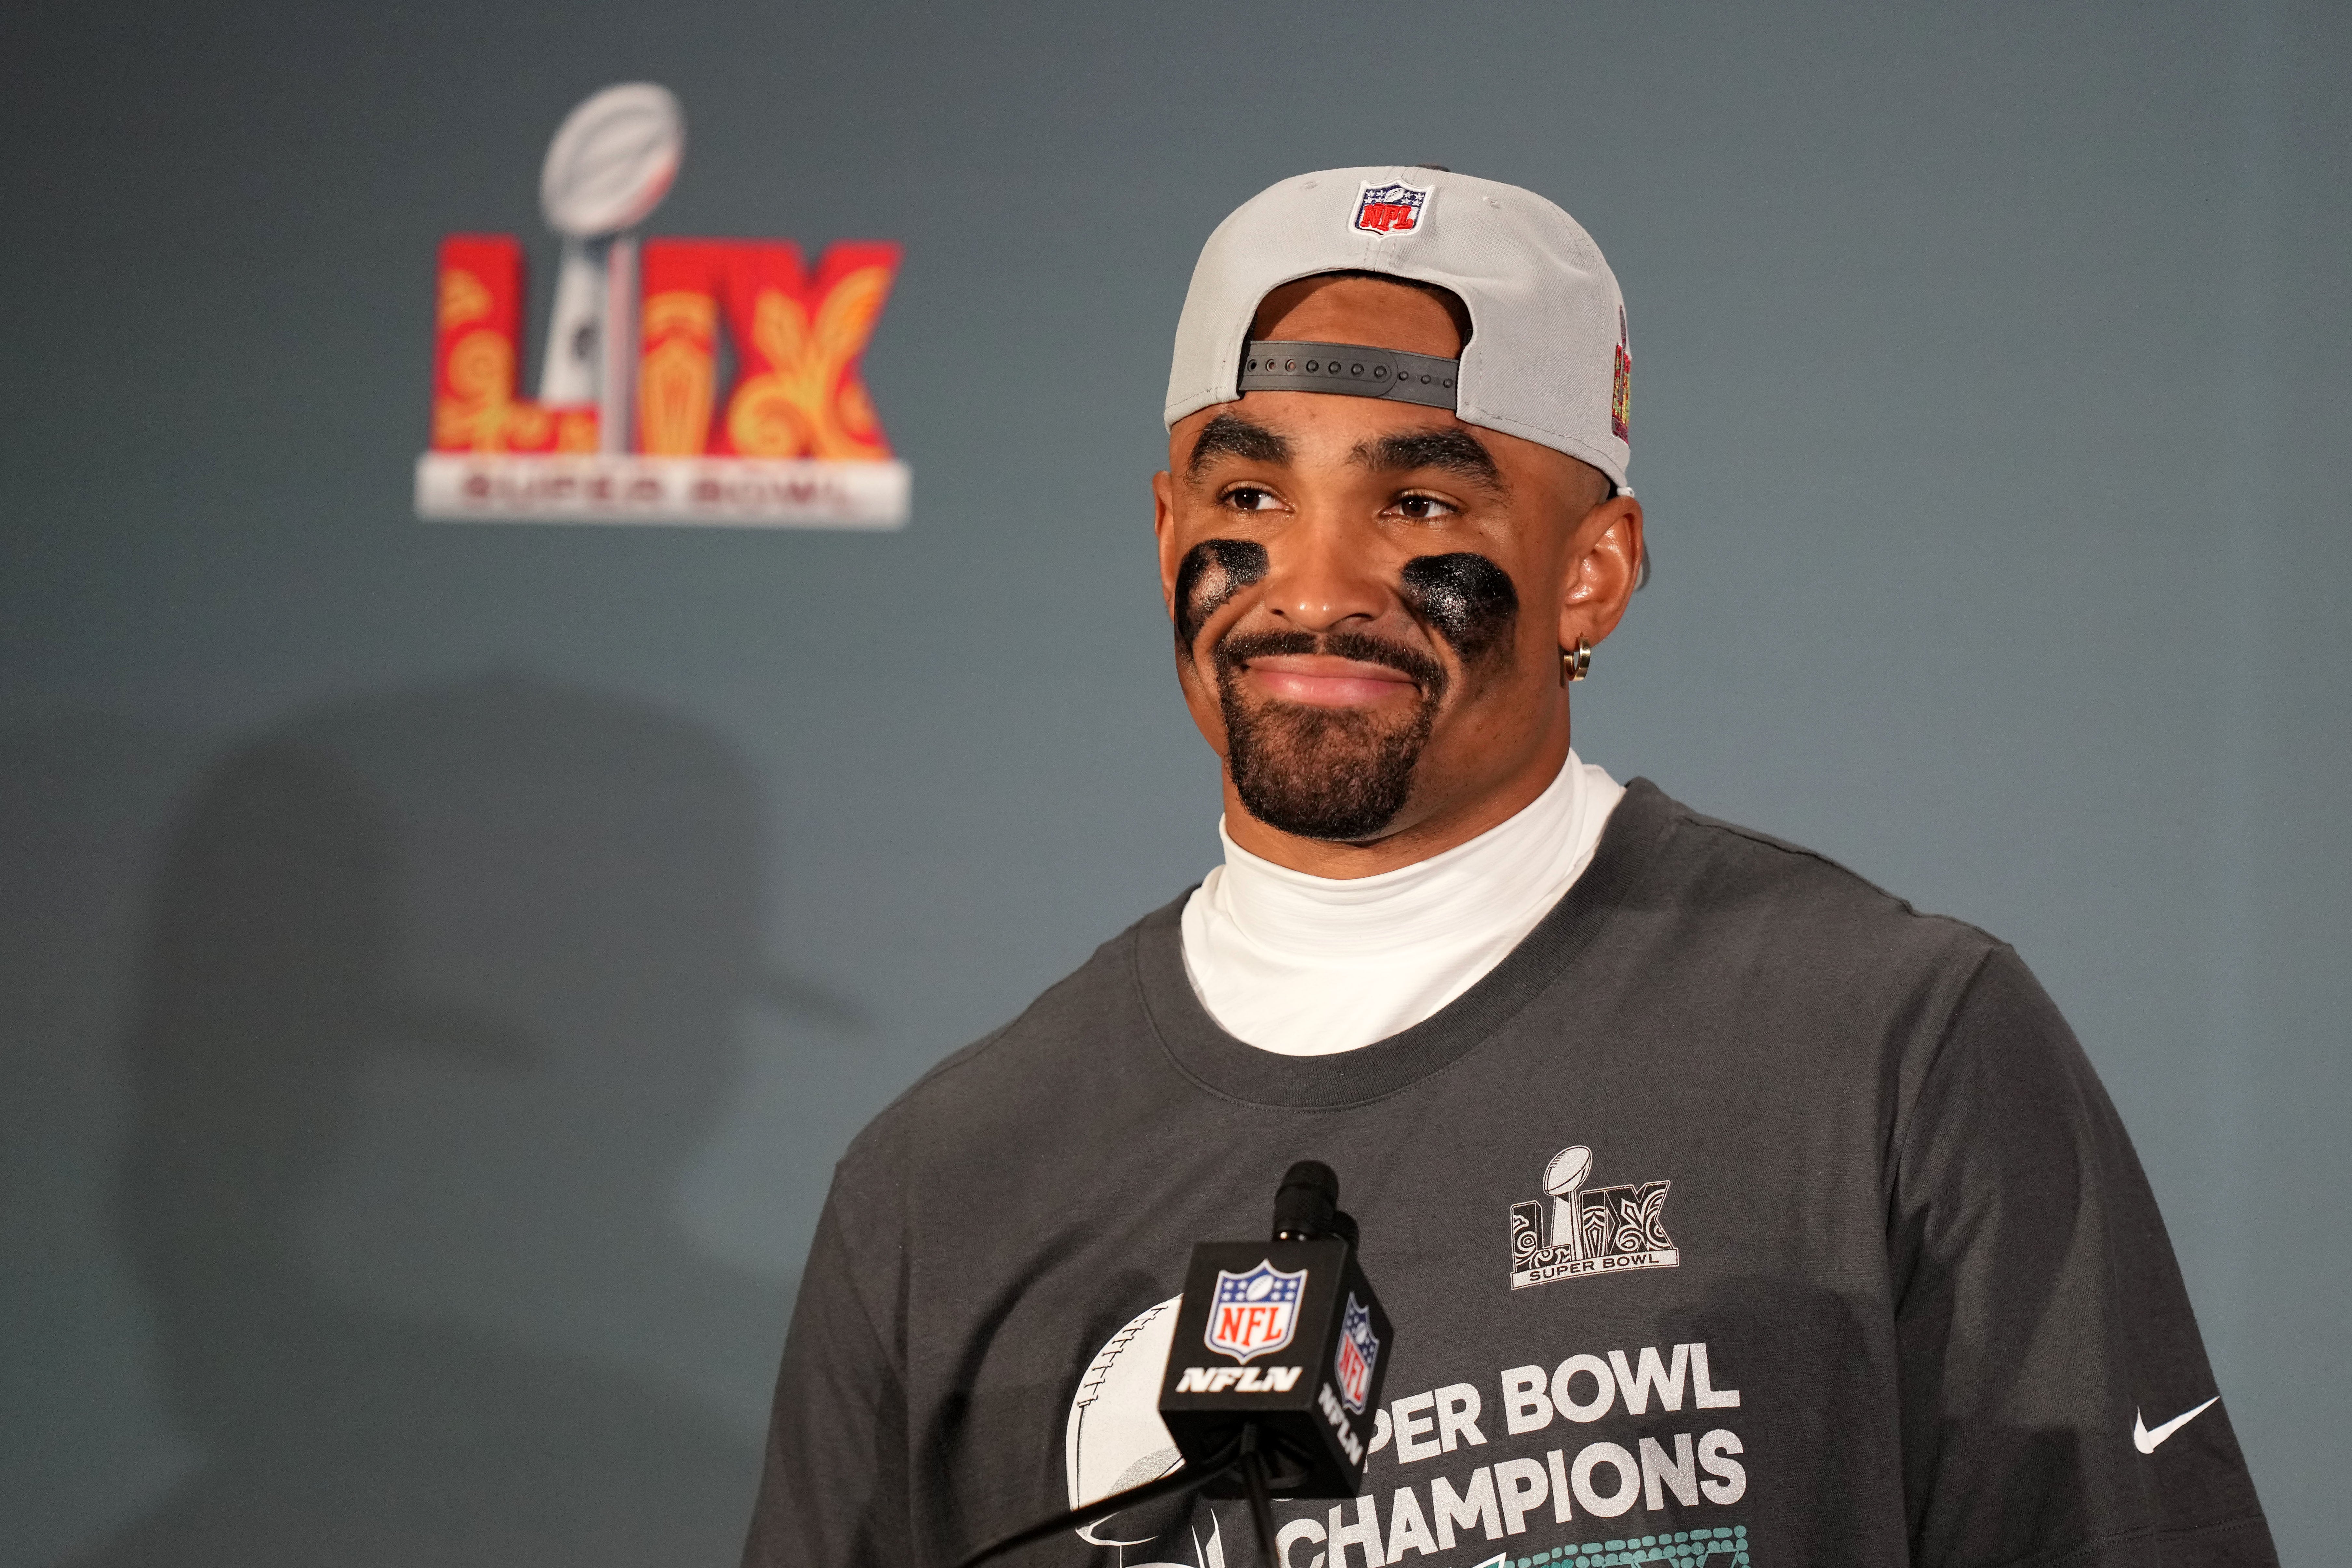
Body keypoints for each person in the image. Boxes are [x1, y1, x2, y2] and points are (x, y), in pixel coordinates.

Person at [742, 168, 2276, 1568]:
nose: (1316, 590)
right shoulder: (941, 1189)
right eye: (1251, 498)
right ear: (1166, 537)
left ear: (1590, 574)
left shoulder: (1896, 1046)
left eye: (1418, 506)